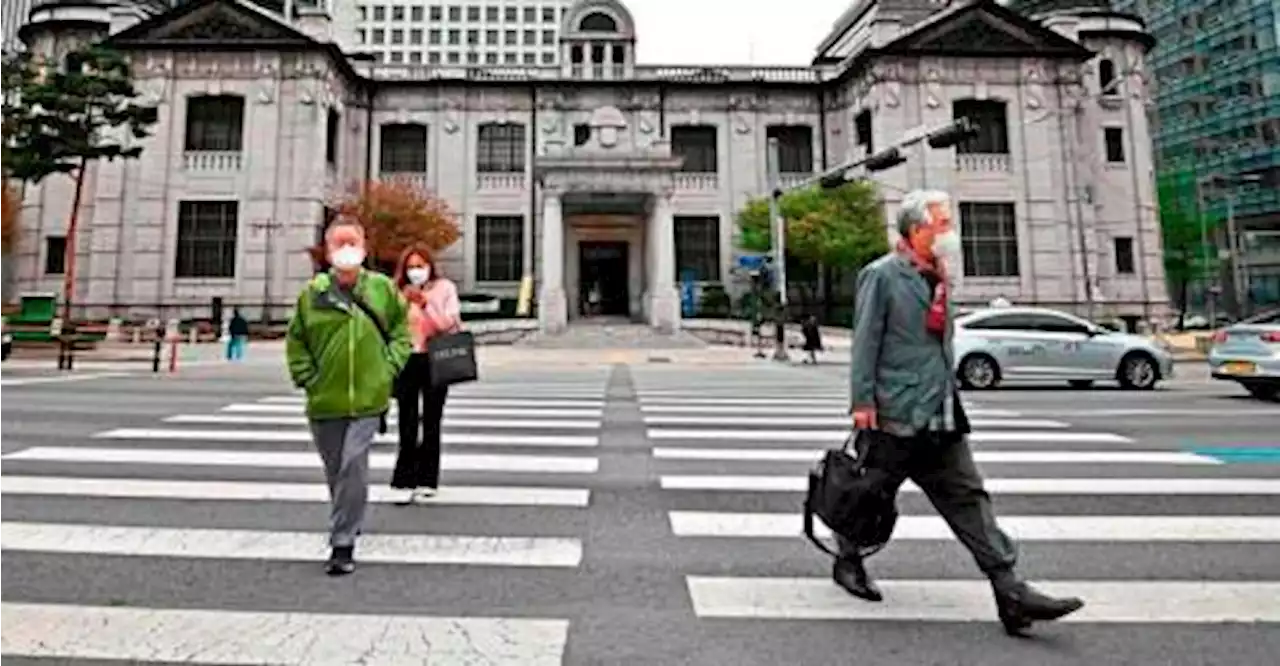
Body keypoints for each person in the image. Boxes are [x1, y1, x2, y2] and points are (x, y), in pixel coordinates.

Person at [840, 189, 1084, 636]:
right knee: (871, 494)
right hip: (897, 412)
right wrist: (863, 402)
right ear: (917, 230)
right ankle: (848, 557)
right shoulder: (882, 276)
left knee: (969, 497)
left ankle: (1009, 590)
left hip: (941, 411)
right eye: (943, 223)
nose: (951, 231)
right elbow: (865, 342)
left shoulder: (938, 275)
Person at [285, 221, 411, 576]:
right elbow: (296, 340)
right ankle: (349, 516)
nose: (346, 249)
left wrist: (388, 367)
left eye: (352, 242)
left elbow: (402, 332)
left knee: (353, 463)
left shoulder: (382, 289)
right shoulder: (314, 294)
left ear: (364, 248)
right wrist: (306, 376)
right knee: (337, 469)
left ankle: (342, 542)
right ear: (327, 251)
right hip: (325, 399)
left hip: (369, 398)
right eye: (338, 243)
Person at [390, 246, 461, 505]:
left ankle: (428, 478)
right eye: (411, 266)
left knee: (432, 420)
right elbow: (389, 326)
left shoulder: (444, 289)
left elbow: (448, 325)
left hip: (435, 358)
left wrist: (426, 304)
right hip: (407, 359)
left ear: (430, 266)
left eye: (420, 265)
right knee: (406, 421)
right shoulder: (396, 291)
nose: (416, 271)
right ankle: (404, 477)